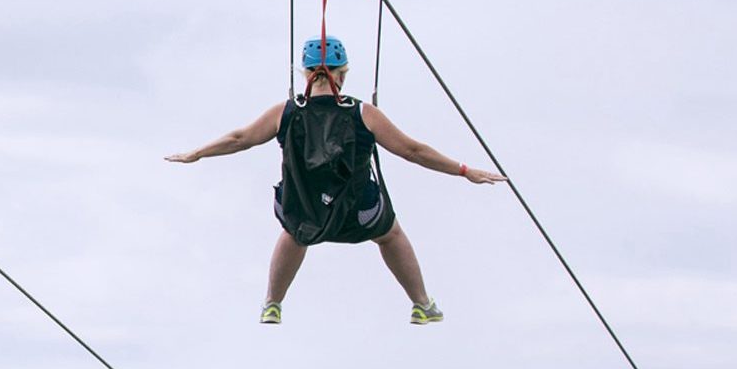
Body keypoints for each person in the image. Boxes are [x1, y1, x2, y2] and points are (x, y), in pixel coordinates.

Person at [164, 36, 506, 325]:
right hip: (359, 214)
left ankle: (273, 303)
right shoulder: (362, 113)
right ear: (341, 74)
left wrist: (198, 153)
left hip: (305, 213)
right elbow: (413, 151)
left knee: (294, 233)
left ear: (305, 74)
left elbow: (240, 139)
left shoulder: (285, 111)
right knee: (390, 235)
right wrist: (464, 170)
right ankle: (421, 304)